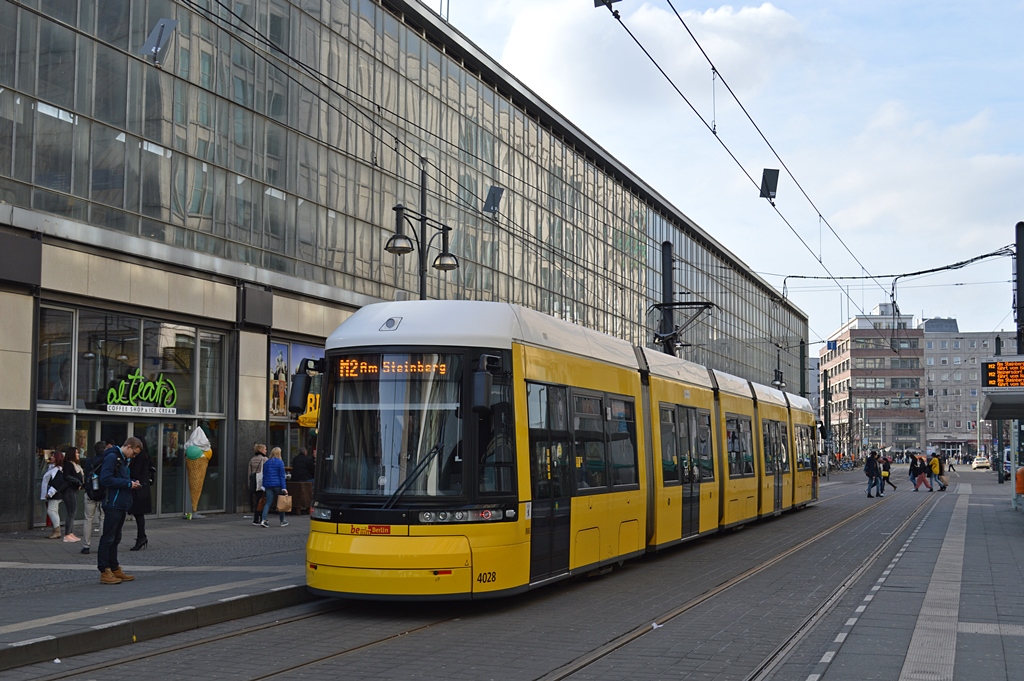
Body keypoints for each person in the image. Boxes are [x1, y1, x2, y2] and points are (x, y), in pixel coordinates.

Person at [97, 437, 143, 585]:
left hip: (121, 502)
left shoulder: (122, 459)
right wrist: (128, 483)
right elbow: (106, 479)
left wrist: (130, 483)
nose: (134, 456)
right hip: (113, 503)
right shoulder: (112, 457)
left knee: (116, 537)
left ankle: (114, 567)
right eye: (134, 453)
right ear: (128, 447)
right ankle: (105, 570)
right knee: (108, 537)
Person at [80, 441, 109, 555]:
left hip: (91, 492)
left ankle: (86, 545)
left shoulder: (89, 461)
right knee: (103, 518)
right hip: (103, 493)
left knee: (88, 519)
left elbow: (87, 475)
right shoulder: (107, 461)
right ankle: (102, 546)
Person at [128, 440, 153, 551]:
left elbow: (135, 472)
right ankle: (141, 537)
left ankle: (141, 537)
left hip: (138, 488)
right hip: (143, 487)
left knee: (138, 514)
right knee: (139, 515)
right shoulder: (145, 455)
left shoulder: (139, 456)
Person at [60, 445, 85, 543]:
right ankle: (67, 534)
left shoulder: (76, 465)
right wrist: (77, 482)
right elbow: (67, 476)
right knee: (71, 512)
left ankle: (70, 532)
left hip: (74, 490)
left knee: (72, 512)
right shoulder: (69, 465)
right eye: (76, 453)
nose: (78, 454)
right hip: (69, 490)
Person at [259, 447, 289, 528]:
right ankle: (282, 521)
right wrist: (284, 488)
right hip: (278, 485)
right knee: (281, 503)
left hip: (268, 485)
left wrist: (264, 486)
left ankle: (264, 520)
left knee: (268, 503)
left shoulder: (267, 463)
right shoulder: (280, 462)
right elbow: (282, 476)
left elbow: (264, 475)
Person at [40, 450, 66, 539]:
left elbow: (57, 482)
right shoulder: (53, 468)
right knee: (53, 511)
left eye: (53, 456)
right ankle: (55, 530)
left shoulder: (57, 470)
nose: (51, 458)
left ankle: (57, 530)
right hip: (53, 493)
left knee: (51, 511)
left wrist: (50, 493)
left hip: (54, 494)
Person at [248, 444, 268, 525]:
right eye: (265, 449)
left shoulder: (252, 460)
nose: (266, 451)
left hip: (254, 482)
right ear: (261, 450)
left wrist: (249, 484)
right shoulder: (265, 459)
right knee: (261, 501)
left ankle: (256, 518)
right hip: (261, 482)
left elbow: (249, 473)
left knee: (256, 500)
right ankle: (259, 518)